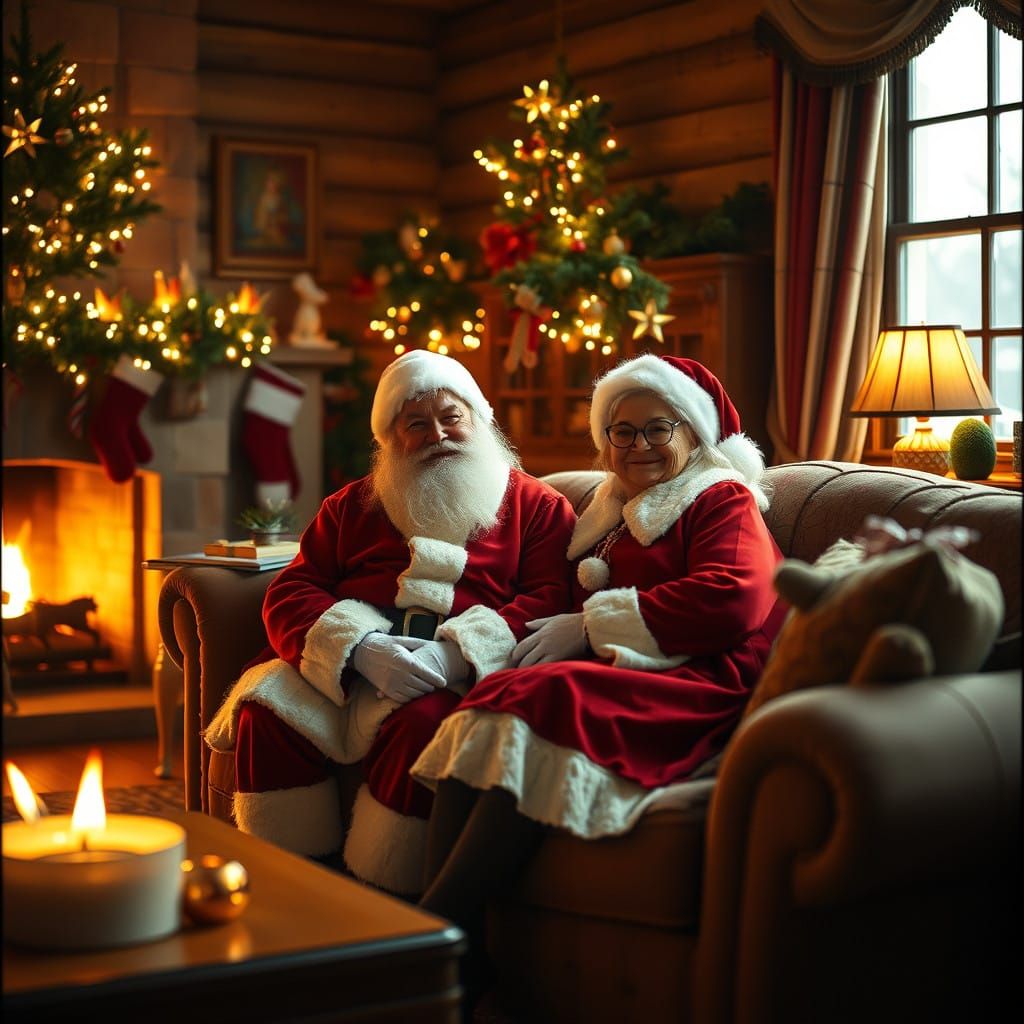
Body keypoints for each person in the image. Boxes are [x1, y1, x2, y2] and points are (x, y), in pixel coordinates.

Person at [410, 354, 788, 995]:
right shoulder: (608, 512)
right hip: (634, 664)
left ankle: (431, 931)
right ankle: (455, 939)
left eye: (658, 429)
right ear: (604, 439)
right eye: (623, 430)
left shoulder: (720, 496)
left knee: (548, 694)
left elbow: (734, 597)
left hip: (705, 674)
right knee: (498, 689)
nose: (638, 445)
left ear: (692, 435)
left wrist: (589, 628)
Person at [205, 350, 577, 895]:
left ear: (479, 417)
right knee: (268, 711)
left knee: (424, 726)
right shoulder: (351, 506)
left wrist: (454, 653)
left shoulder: (538, 506)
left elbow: (550, 598)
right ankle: (288, 883)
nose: (439, 434)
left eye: (452, 416)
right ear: (391, 439)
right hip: (351, 668)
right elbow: (292, 590)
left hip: (451, 677)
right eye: (416, 424)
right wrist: (359, 649)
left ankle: (384, 894)